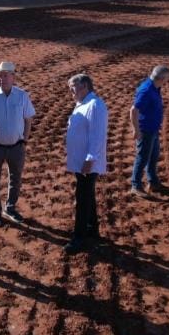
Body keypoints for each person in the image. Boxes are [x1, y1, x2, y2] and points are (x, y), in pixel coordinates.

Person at [0, 61, 36, 227]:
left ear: (13, 77)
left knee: (15, 179)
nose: (2, 78)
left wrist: (24, 140)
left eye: (5, 75)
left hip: (17, 146)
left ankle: (10, 208)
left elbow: (28, 120)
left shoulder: (22, 96)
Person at [64, 73, 109, 255]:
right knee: (87, 194)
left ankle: (79, 237)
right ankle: (92, 228)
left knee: (82, 198)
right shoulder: (82, 104)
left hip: (87, 163)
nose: (71, 92)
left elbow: (97, 136)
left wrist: (90, 159)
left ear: (84, 86)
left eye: (72, 88)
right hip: (80, 161)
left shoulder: (95, 105)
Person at [130, 65, 169, 197]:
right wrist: (136, 130)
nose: (167, 82)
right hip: (145, 130)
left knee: (153, 157)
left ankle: (153, 182)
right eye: (167, 79)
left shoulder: (155, 87)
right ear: (162, 78)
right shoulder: (146, 90)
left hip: (153, 129)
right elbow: (133, 110)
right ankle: (135, 185)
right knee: (142, 158)